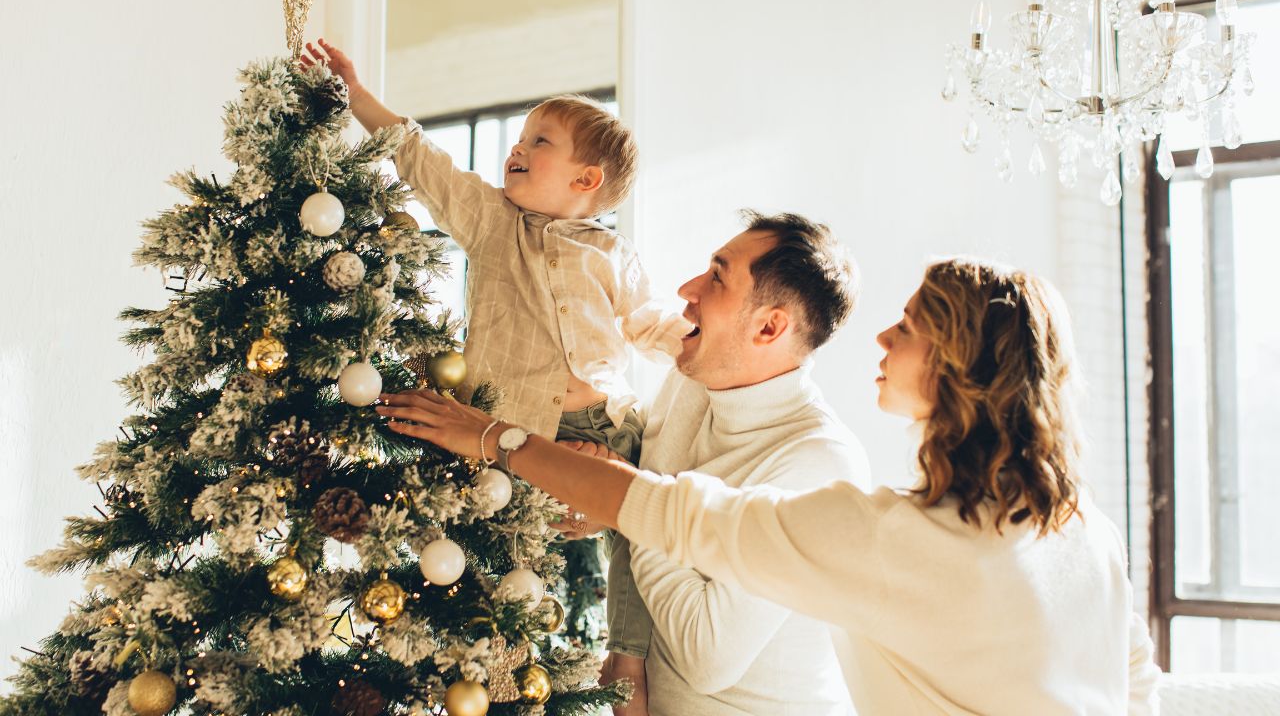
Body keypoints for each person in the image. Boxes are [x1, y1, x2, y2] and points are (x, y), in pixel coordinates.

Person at [378, 257, 1164, 715]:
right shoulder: (1085, 529)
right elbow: (1135, 683)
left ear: (958, 370)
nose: (884, 338)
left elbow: (655, 506)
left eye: (911, 327)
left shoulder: (891, 541)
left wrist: (489, 438)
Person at [300, 41, 690, 710]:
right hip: (513, 427)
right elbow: (421, 160)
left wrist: (699, 341)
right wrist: (356, 94)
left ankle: (627, 659)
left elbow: (649, 321)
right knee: (513, 565)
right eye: (519, 136)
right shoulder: (491, 222)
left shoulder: (610, 252)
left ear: (585, 180)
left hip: (607, 423)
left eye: (539, 140)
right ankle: (507, 685)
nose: (518, 147)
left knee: (640, 542)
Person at [561, 212, 863, 715]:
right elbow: (650, 509)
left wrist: (624, 503)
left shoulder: (819, 463)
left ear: (769, 327)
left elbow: (708, 655)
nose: (688, 288)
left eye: (717, 276)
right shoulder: (693, 380)